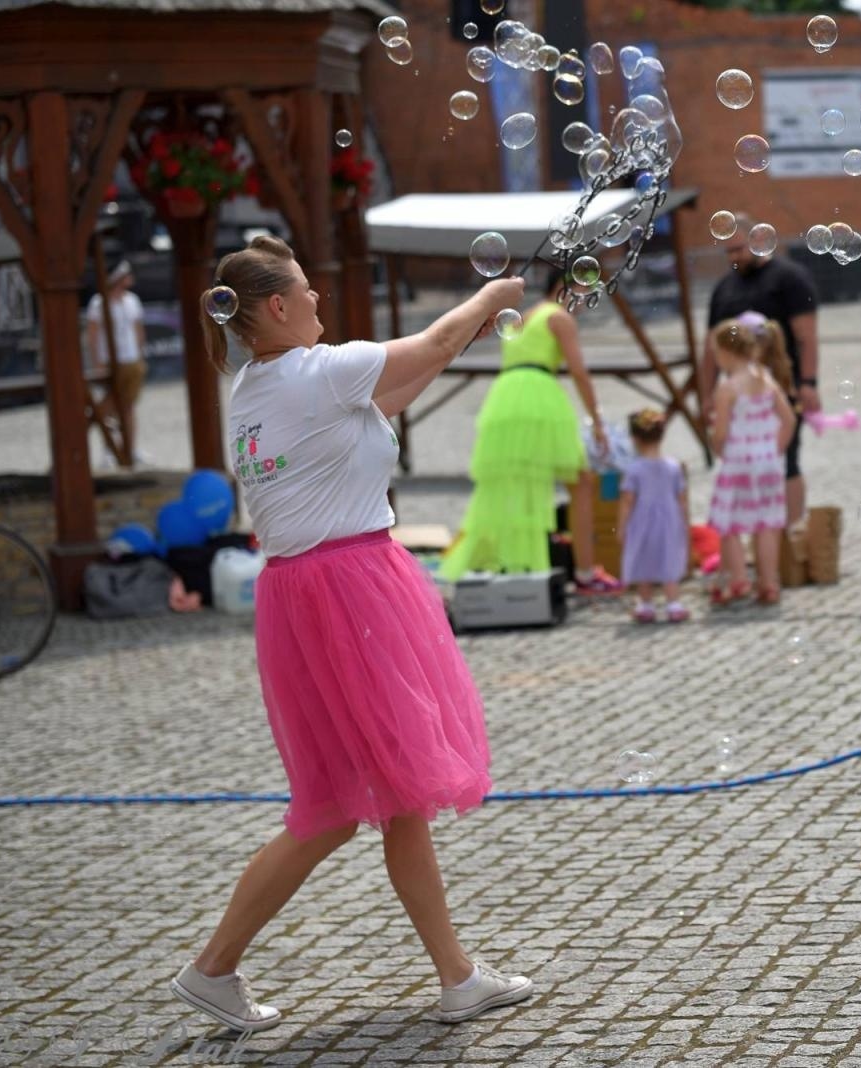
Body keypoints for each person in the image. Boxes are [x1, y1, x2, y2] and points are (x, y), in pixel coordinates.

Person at [172, 236, 532, 1033]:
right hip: (353, 591)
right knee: (339, 806)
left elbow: (401, 382)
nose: (319, 304)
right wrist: (494, 299)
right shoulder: (315, 374)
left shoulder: (261, 386)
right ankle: (213, 965)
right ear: (276, 308)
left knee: (375, 800)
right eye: (306, 293)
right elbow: (433, 344)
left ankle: (456, 977)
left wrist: (467, 326)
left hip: (304, 597)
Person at [440, 269, 620, 592]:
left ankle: (501, 562)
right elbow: (579, 372)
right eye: (581, 290)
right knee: (579, 482)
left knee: (512, 486)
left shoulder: (522, 317)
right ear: (564, 287)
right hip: (539, 396)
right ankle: (586, 571)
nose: (582, 301)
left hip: (505, 399)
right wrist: (598, 423)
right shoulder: (559, 318)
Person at [702, 212, 820, 528]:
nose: (734, 257)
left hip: (782, 384)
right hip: (738, 393)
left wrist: (808, 383)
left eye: (739, 249)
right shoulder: (724, 288)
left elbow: (806, 336)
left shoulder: (790, 278)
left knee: (788, 460)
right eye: (728, 251)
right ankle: (760, 533)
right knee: (746, 464)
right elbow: (710, 347)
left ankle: (790, 536)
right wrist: (706, 394)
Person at [707, 316, 796, 606]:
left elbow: (720, 432)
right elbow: (789, 420)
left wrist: (717, 447)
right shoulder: (766, 378)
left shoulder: (728, 388)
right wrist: (775, 448)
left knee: (729, 525)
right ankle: (769, 584)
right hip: (767, 462)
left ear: (726, 352)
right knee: (767, 524)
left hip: (738, 462)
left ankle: (739, 581)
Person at [619, 408, 690, 623]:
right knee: (668, 560)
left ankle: (646, 604)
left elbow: (627, 501)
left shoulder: (634, 469)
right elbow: (682, 498)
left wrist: (620, 527)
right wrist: (684, 524)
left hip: (642, 523)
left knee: (644, 561)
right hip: (669, 522)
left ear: (634, 439)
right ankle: (673, 603)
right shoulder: (673, 467)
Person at [84, 260, 150, 468]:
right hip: (110, 362)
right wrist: (97, 363)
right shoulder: (98, 303)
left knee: (129, 407)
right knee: (109, 408)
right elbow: (93, 335)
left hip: (132, 360)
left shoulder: (132, 301)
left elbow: (138, 329)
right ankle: (109, 450)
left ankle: (130, 449)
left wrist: (140, 355)